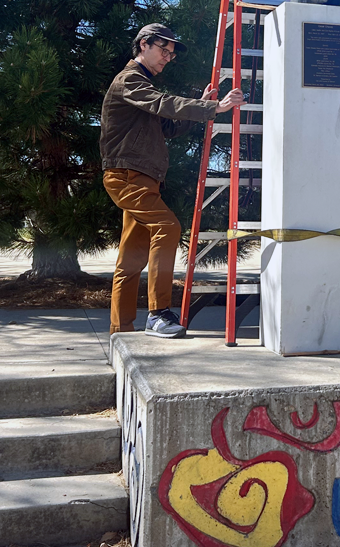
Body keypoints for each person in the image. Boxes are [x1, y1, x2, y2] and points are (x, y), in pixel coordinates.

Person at [100, 23, 245, 337]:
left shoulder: (142, 88)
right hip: (127, 178)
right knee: (168, 227)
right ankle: (158, 313)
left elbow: (167, 127)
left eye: (171, 54)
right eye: (163, 50)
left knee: (131, 258)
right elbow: (163, 103)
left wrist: (205, 109)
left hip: (142, 180)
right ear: (143, 45)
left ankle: (121, 329)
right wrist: (212, 106)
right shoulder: (130, 81)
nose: (168, 57)